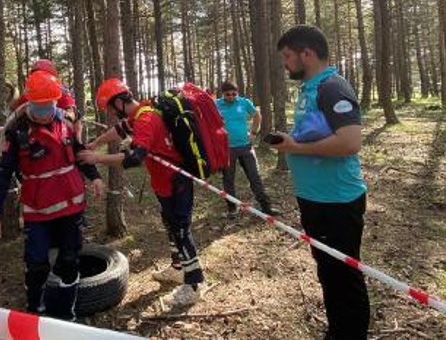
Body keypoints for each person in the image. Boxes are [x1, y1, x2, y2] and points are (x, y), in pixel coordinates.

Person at [269, 25, 369, 340]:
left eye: (287, 56)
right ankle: (338, 330)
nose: (285, 63)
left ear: (306, 54)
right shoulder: (310, 89)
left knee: (344, 275)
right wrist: (291, 142)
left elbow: (351, 142)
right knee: (328, 271)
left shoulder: (333, 87)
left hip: (337, 201)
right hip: (314, 199)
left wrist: (295, 148)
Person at [0, 71, 104, 320]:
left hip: (71, 209)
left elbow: (79, 153)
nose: (45, 110)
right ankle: (34, 313)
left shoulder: (65, 123)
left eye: (50, 104)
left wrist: (95, 176)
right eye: (39, 105)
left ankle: (67, 318)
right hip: (38, 213)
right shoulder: (17, 132)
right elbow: (2, 173)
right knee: (36, 267)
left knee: (69, 263)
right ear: (29, 102)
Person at [79, 79, 205, 308]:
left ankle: (194, 283)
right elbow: (118, 131)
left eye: (109, 107)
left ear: (118, 102)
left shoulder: (145, 118)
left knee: (181, 229)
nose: (109, 112)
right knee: (170, 224)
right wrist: (95, 143)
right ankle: (178, 268)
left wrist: (96, 158)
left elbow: (134, 158)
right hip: (164, 183)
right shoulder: (140, 112)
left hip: (175, 182)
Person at [216, 81, 279, 219]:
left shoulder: (244, 102)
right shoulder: (217, 105)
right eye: (228, 94)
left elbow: (257, 115)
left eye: (234, 94)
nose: (231, 97)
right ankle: (232, 208)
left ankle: (265, 206)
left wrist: (254, 132)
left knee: (254, 176)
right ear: (223, 94)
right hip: (227, 149)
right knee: (228, 179)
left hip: (246, 147)